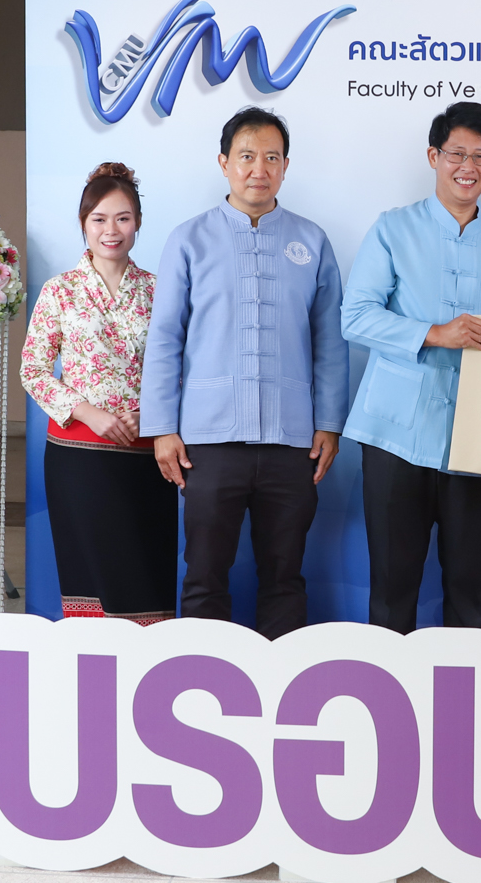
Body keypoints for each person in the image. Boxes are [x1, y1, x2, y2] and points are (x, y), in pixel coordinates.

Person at [143, 107, 348, 639]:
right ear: (224, 162)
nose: (260, 169)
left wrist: (329, 424)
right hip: (208, 441)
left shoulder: (312, 241)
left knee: (285, 576)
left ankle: (284, 681)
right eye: (247, 156)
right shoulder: (189, 239)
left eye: (272, 158)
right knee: (205, 574)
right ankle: (202, 674)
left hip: (292, 441)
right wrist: (162, 427)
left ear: (285, 167)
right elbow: (164, 339)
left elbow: (330, 341)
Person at [342, 101, 481, 633]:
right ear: (434, 157)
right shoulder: (393, 229)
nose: (467, 167)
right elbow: (354, 318)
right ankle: (387, 687)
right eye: (456, 154)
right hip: (394, 434)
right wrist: (433, 333)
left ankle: (466, 686)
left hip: (479, 438)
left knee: (470, 590)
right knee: (392, 590)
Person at [19, 162, 172, 623]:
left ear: (138, 222)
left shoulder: (160, 291)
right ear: (84, 223)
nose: (111, 230)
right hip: (79, 453)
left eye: (123, 218)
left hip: (148, 451)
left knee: (146, 569)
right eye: (99, 219)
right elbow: (33, 370)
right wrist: (89, 412)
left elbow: (180, 369)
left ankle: (151, 662)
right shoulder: (60, 291)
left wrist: (150, 415)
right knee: (91, 573)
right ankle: (94, 662)